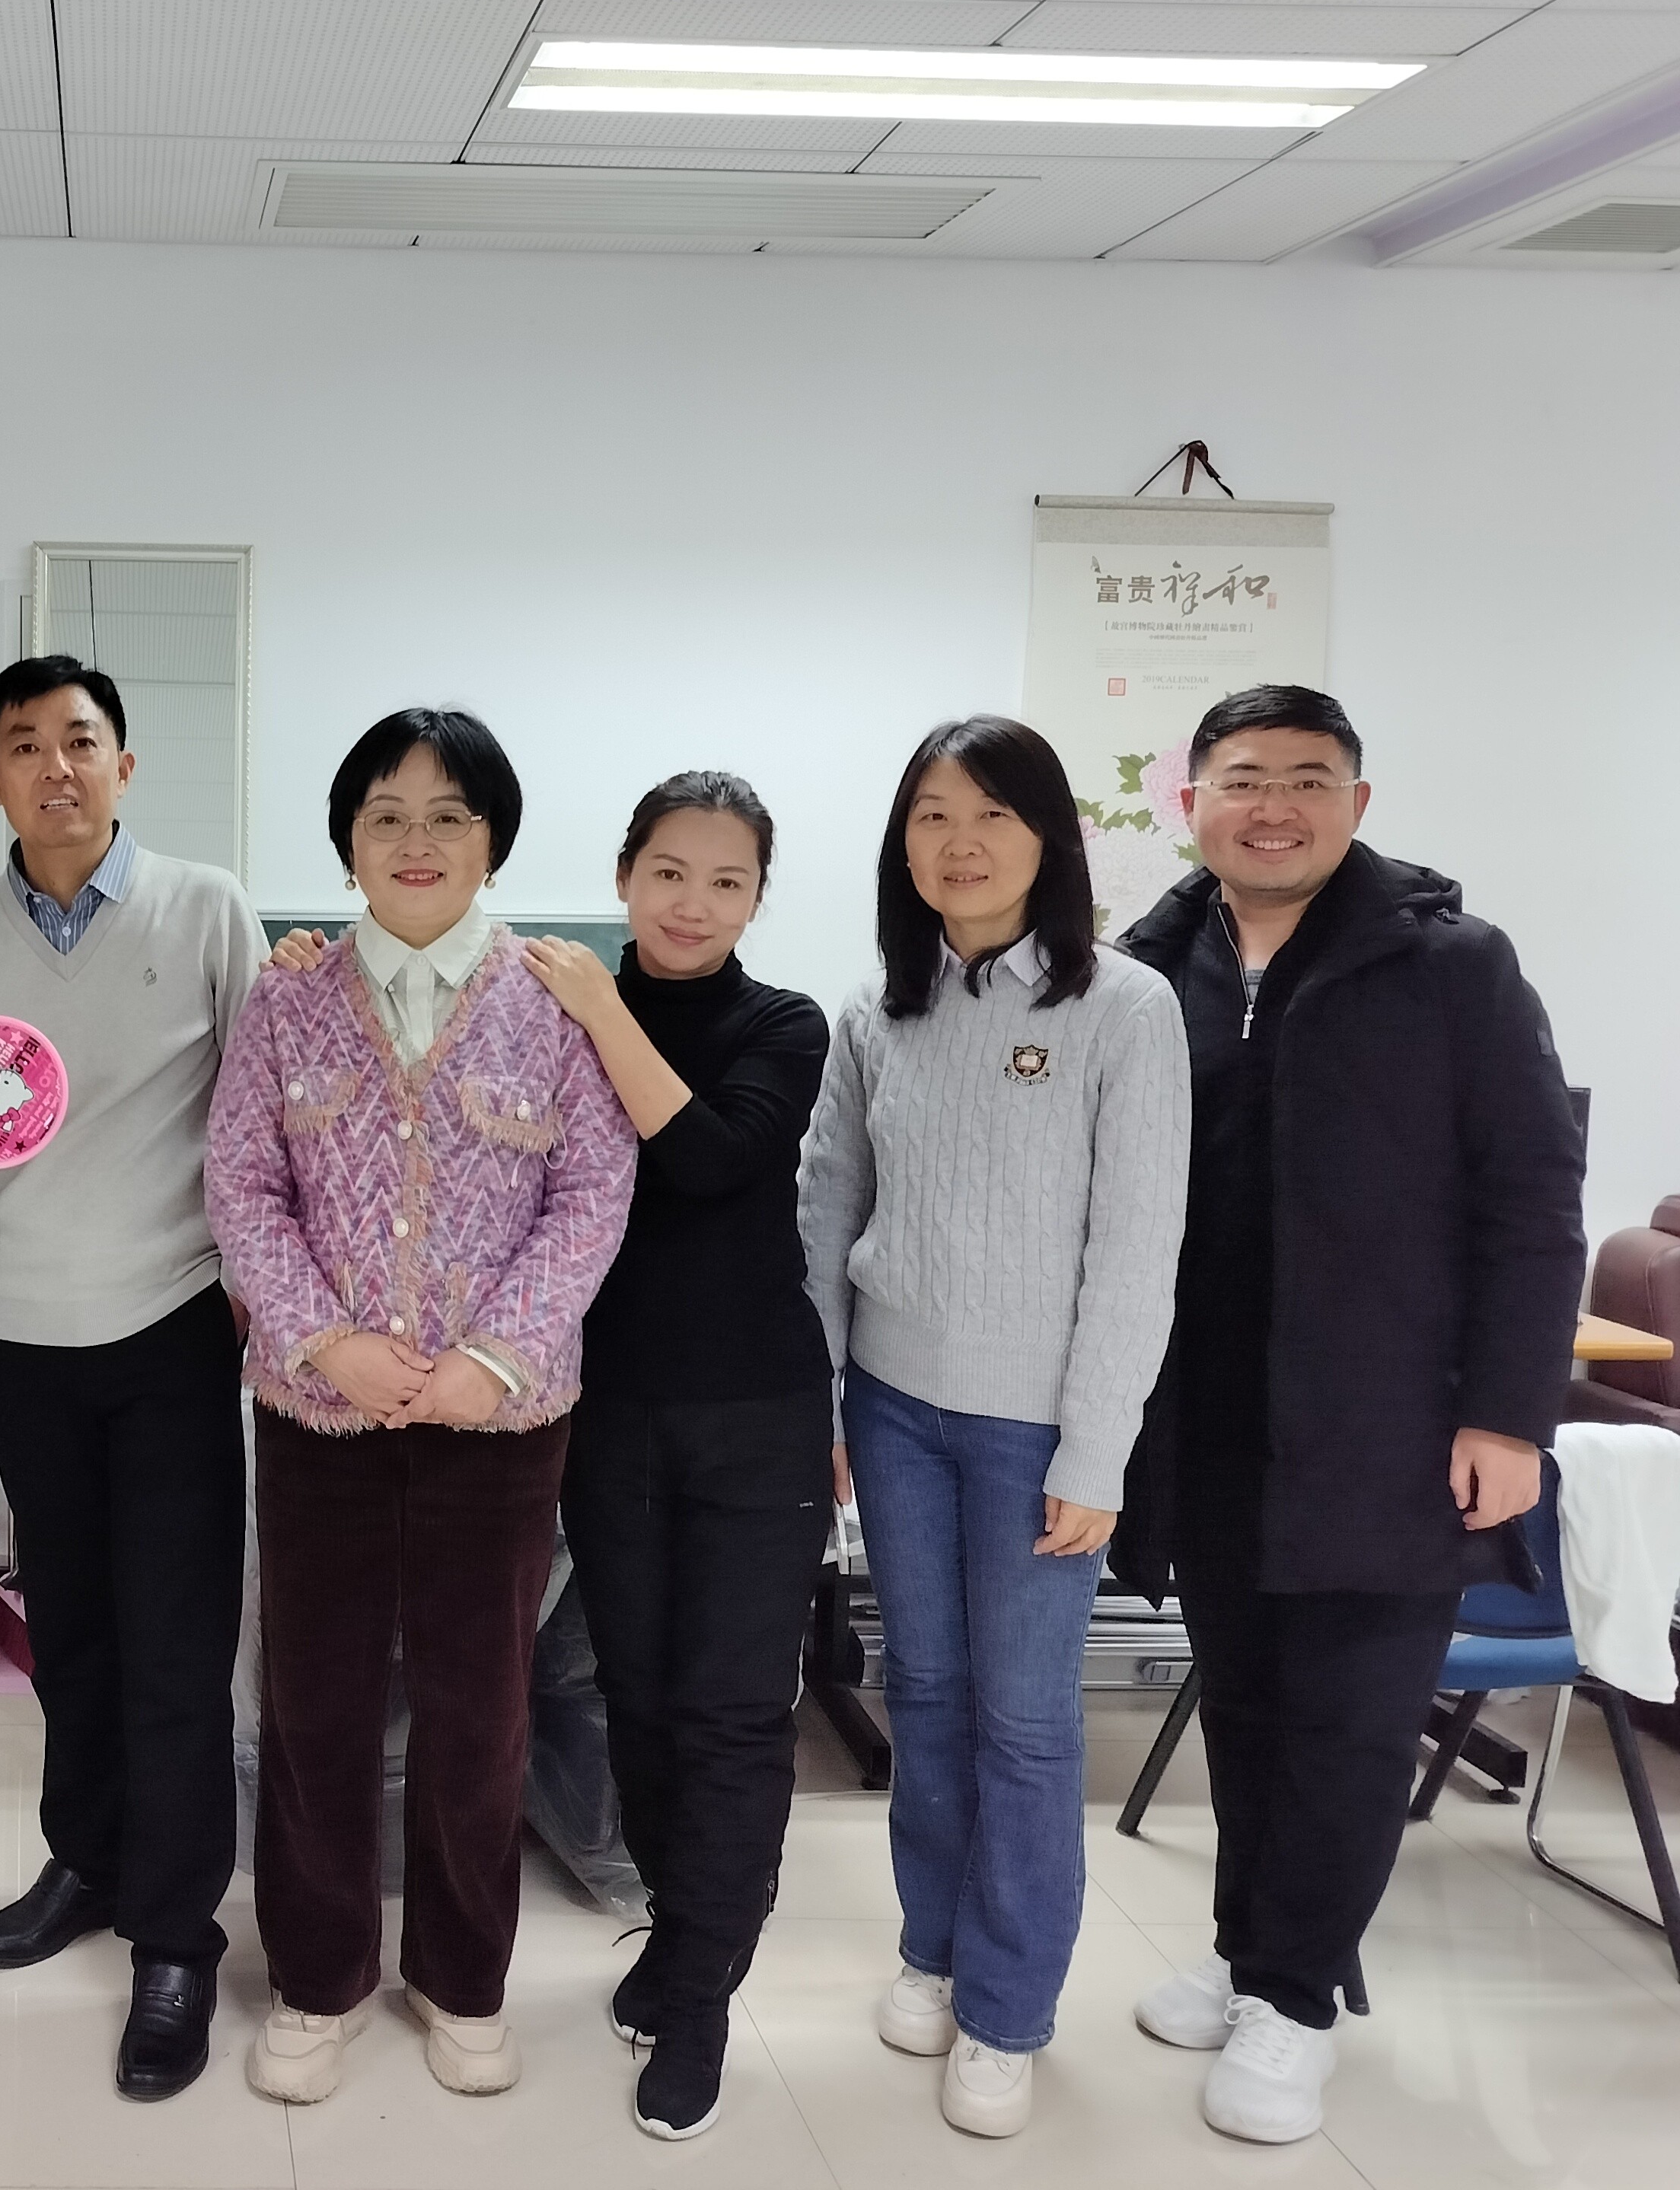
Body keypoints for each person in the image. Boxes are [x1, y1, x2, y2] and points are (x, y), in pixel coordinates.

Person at [1111, 687, 1581, 2143]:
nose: (1275, 806)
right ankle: (1251, 1955)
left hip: (1393, 1424)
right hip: (1211, 1421)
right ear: (1191, 800)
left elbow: (1534, 1199)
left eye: (1309, 779)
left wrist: (1509, 1415)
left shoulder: (1452, 965)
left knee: (1355, 1722)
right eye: (1245, 777)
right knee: (1248, 1702)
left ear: (1357, 805)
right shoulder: (1149, 968)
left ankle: (1298, 2000)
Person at [206, 708, 635, 2106]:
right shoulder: (287, 998)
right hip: (316, 1412)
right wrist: (324, 1340)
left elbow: (592, 1196)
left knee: (479, 1709)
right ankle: (317, 1979)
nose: (417, 841)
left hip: (501, 1425)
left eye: (449, 816)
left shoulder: (554, 1000)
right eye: (386, 815)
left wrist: (492, 1360)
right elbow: (242, 1187)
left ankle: (461, 1978)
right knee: (313, 1704)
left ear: (491, 842)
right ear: (347, 841)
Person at [795, 714, 1187, 2139]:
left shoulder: (1124, 1007)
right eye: (930, 816)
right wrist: (829, 1397)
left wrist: (1097, 1453)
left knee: (1024, 1723)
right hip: (895, 1410)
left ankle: (1010, 2008)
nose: (959, 844)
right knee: (927, 1696)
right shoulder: (878, 1007)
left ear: (1049, 838)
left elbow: (1136, 1249)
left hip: (1035, 1431)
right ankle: (932, 1947)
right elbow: (826, 1207)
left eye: (991, 816)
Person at [0, 655, 266, 2100]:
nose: (56, 765)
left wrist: (263, 1290)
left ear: (124, 764)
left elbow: (265, 1107)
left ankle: (176, 1936)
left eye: (82, 740)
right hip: (26, 1330)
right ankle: (86, 1862)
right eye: (25, 744)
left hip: (174, 1320)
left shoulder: (206, 908)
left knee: (177, 1640)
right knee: (73, 1628)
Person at [531, 773, 834, 2141]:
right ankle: (676, 1929)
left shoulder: (782, 1024)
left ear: (758, 897)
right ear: (625, 875)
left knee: (732, 1710)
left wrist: (604, 1011)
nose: (693, 903)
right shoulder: (551, 1011)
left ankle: (704, 1987)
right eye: (669, 872)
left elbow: (712, 1158)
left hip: (757, 1416)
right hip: (607, 1412)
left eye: (726, 881)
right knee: (636, 1696)